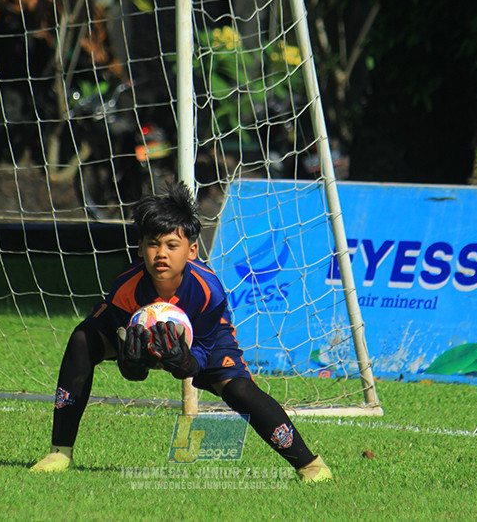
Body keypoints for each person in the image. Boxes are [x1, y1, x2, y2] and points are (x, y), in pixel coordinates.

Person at [30, 183, 332, 482]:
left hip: (203, 338)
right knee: (82, 339)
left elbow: (199, 353)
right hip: (136, 329)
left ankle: (311, 465)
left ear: (192, 250)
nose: (161, 253)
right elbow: (131, 370)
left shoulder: (207, 290)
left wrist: (186, 363)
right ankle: (60, 451)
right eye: (153, 243)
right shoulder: (125, 288)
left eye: (172, 245)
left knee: (240, 390)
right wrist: (133, 362)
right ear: (140, 248)